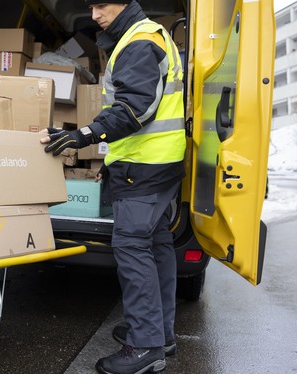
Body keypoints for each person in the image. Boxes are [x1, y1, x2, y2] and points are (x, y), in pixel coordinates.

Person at [40, 1, 186, 373]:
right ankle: (160, 333)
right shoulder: (146, 35)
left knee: (132, 246)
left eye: (101, 4)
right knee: (156, 244)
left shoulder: (138, 42)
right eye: (91, 5)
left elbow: (136, 108)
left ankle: (144, 347)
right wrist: (111, 160)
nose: (94, 14)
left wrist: (82, 136)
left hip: (146, 166)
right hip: (155, 161)